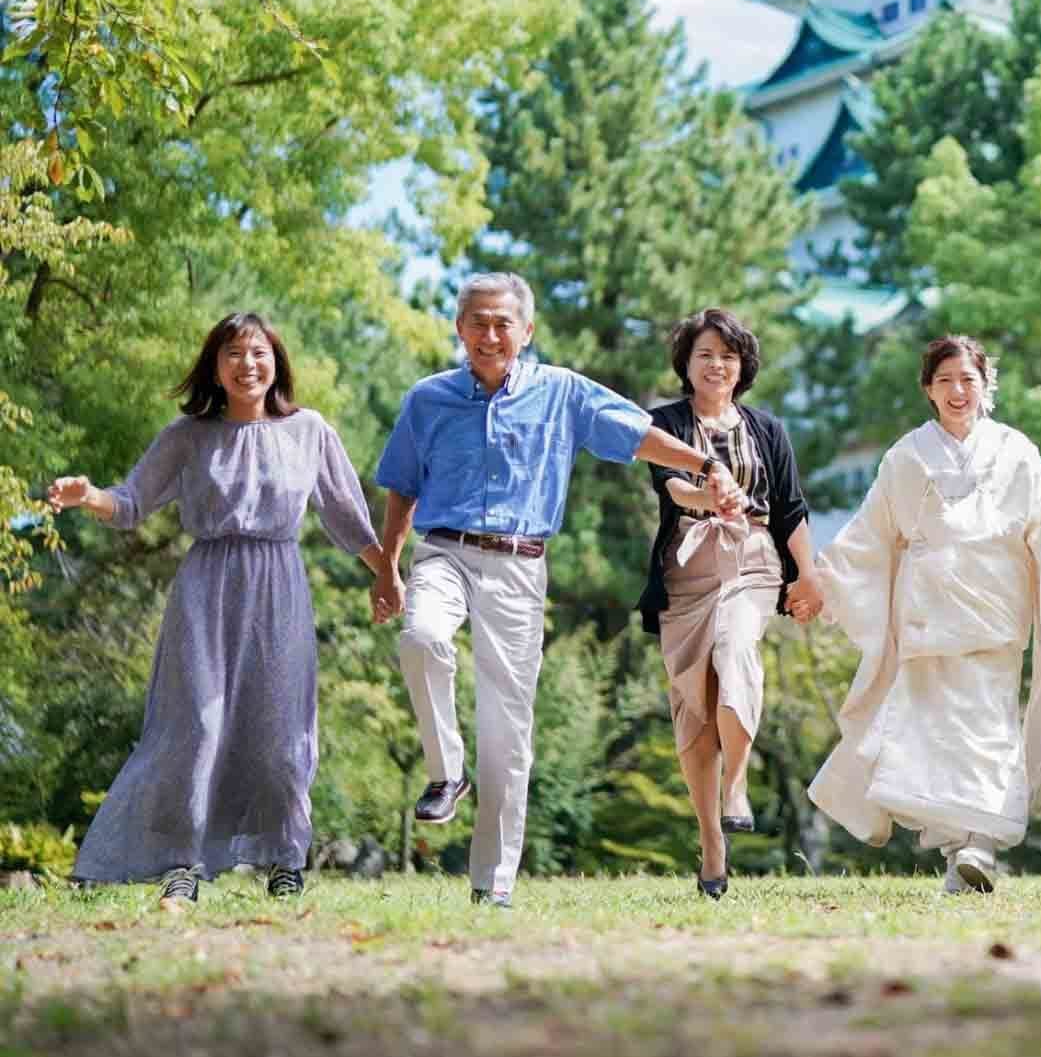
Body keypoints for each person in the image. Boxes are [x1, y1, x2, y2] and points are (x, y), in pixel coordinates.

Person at [372, 273, 744, 908]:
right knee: (423, 637)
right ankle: (446, 771)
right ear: (460, 328)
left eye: (503, 324)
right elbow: (402, 488)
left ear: (527, 331)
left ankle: (494, 884)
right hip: (444, 552)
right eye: (477, 323)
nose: (490, 335)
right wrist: (388, 569)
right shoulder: (427, 399)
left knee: (507, 725)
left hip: (519, 567)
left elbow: (636, 433)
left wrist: (705, 464)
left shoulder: (561, 392)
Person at [47, 312, 387, 908]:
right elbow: (129, 504)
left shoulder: (309, 431)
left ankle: (285, 860)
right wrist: (88, 497)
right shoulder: (188, 435)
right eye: (233, 353)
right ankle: (183, 862)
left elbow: (347, 518)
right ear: (215, 367)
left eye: (258, 352)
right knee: (196, 728)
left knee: (281, 734)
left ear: (276, 361)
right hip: (206, 590)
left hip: (279, 587)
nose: (247, 364)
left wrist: (388, 574)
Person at [805, 337, 1041, 895]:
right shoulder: (906, 456)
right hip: (927, 613)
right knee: (933, 738)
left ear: (987, 385)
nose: (958, 391)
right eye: (945, 381)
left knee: (988, 730)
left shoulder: (1015, 451)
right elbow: (869, 535)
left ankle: (980, 844)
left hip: (995, 610)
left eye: (968, 379)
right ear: (928, 390)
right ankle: (962, 852)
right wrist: (820, 584)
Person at [637, 308, 823, 900]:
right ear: (686, 365)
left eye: (728, 356)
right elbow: (672, 485)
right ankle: (712, 839)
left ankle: (736, 784)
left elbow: (791, 508)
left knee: (736, 646)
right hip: (687, 569)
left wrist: (810, 576)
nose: (717, 365)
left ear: (742, 367)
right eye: (705, 355)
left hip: (752, 560)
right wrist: (707, 491)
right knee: (695, 707)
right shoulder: (664, 423)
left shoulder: (767, 430)